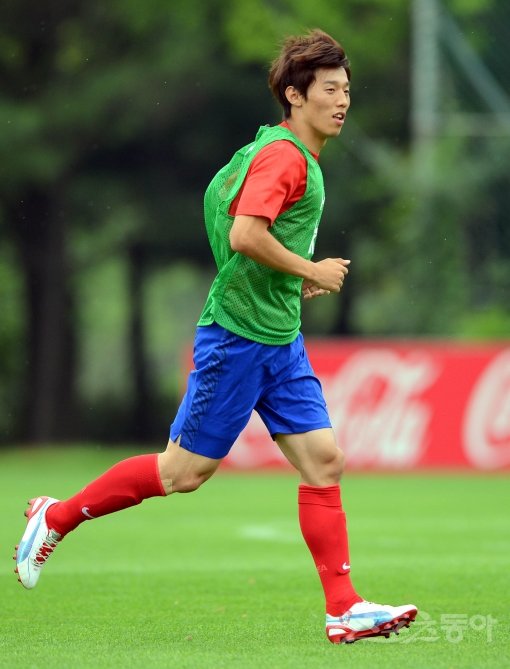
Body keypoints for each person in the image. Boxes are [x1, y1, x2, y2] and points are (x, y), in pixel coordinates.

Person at [14, 29, 417, 644]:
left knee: (324, 461)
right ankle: (57, 517)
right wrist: (310, 270)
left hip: (279, 338)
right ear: (294, 95)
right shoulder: (285, 156)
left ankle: (344, 608)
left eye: (346, 90)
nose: (342, 102)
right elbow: (244, 234)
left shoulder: (282, 151)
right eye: (330, 90)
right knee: (182, 473)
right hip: (237, 340)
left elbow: (230, 215)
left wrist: (288, 281)